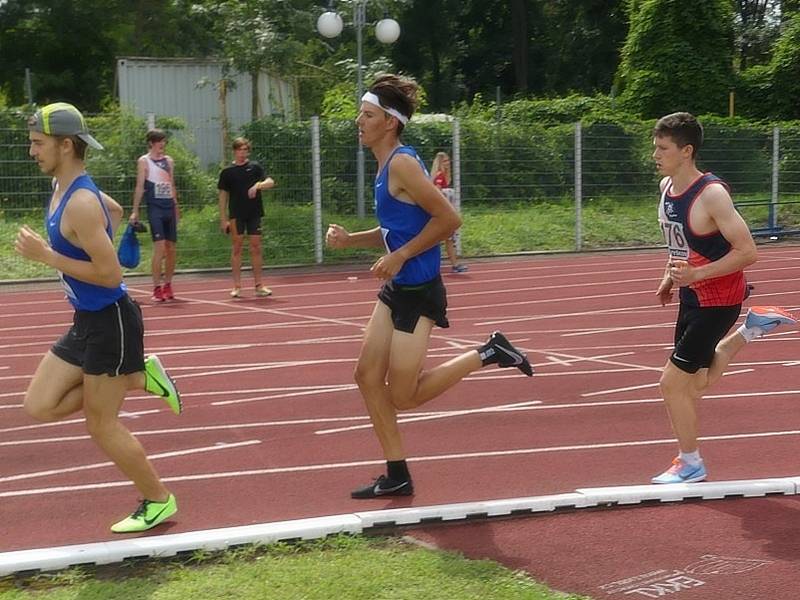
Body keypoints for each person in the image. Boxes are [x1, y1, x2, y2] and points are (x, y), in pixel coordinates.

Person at [326, 75, 534, 499]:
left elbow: (448, 220)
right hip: (397, 287)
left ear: (390, 123)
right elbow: (395, 229)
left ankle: (489, 351)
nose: (358, 122)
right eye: (360, 114)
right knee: (366, 376)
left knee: (403, 395)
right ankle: (397, 473)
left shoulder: (401, 163)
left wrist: (400, 257)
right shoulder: (385, 166)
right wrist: (353, 240)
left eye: (367, 115)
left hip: (418, 291)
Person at [16, 102, 183, 532]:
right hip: (86, 322)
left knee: (100, 423)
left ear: (65, 145)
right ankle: (136, 376)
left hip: (111, 320)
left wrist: (47, 255)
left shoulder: (80, 202)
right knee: (39, 404)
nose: (31, 151)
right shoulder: (67, 189)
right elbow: (110, 209)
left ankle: (158, 499)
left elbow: (110, 275)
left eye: (38, 143)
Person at [650, 111, 797, 484]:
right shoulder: (667, 188)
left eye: (662, 148)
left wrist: (696, 274)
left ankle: (691, 463)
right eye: (655, 147)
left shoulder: (711, 194)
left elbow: (748, 251)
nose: (655, 154)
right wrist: (671, 277)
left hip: (718, 298)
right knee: (694, 385)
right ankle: (751, 328)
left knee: (671, 383)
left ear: (687, 151)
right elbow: (679, 244)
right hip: (691, 296)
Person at [217, 137, 275, 298]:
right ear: (234, 151)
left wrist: (258, 185)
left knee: (256, 247)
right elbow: (222, 196)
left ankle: (259, 285)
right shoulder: (227, 172)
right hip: (236, 214)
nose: (242, 153)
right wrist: (223, 219)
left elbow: (270, 181)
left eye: (245, 150)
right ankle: (237, 286)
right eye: (239, 150)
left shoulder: (255, 167)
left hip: (254, 213)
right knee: (237, 247)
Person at [130, 129, 179, 302]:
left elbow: (171, 183)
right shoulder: (144, 161)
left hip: (169, 208)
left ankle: (168, 284)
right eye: (159, 141)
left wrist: (176, 206)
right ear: (151, 143)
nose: (162, 144)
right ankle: (157, 287)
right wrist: (135, 210)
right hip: (155, 209)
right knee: (159, 247)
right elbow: (139, 186)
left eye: (164, 141)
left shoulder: (169, 161)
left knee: (171, 248)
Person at [431, 151, 467, 273]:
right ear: (440, 162)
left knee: (447, 239)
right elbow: (437, 192)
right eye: (445, 161)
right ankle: (453, 264)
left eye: (448, 160)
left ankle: (454, 264)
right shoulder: (440, 175)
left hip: (444, 212)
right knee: (444, 238)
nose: (448, 163)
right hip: (443, 213)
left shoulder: (443, 175)